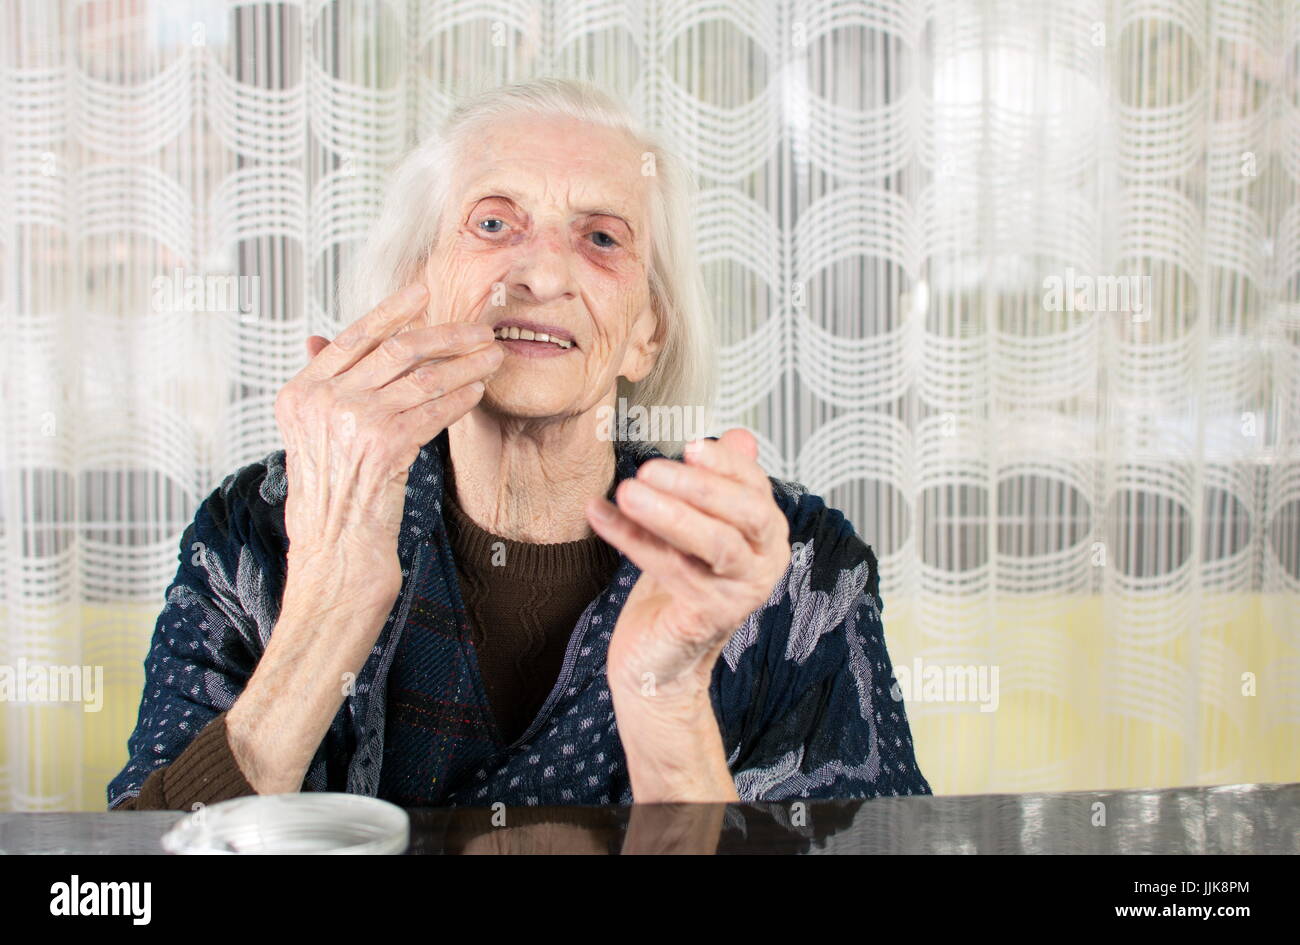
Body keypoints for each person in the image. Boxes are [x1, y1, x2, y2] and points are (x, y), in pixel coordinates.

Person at [109, 76, 930, 810]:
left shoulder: (788, 566)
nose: (540, 273)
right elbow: (127, 891)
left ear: (647, 333)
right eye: (494, 221)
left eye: (602, 238)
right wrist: (329, 598)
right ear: (417, 288)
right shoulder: (260, 527)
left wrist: (666, 698)